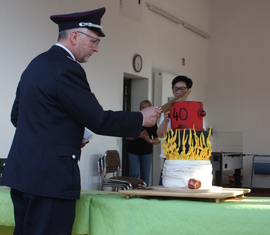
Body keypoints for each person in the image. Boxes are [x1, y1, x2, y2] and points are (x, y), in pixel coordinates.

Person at [1, 7, 161, 235]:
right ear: (74, 36)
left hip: (23, 174)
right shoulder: (67, 69)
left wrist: (68, 135)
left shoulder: (35, 65)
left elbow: (18, 117)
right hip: (51, 179)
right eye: (94, 41)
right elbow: (98, 119)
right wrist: (141, 118)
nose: (96, 48)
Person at [156, 75, 193, 185]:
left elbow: (200, 133)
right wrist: (166, 121)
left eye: (182, 89)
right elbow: (160, 135)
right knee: (165, 185)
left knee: (186, 186)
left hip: (188, 155)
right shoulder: (167, 109)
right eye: (175, 89)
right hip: (169, 155)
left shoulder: (195, 109)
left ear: (188, 91)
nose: (178, 92)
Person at [127, 100, 159, 186]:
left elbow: (156, 140)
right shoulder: (134, 120)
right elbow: (126, 137)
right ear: (140, 109)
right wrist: (138, 135)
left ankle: (144, 195)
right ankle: (132, 192)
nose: (144, 109)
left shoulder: (153, 122)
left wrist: (149, 140)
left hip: (146, 152)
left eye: (146, 107)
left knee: (145, 176)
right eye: (143, 107)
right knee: (134, 174)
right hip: (133, 151)